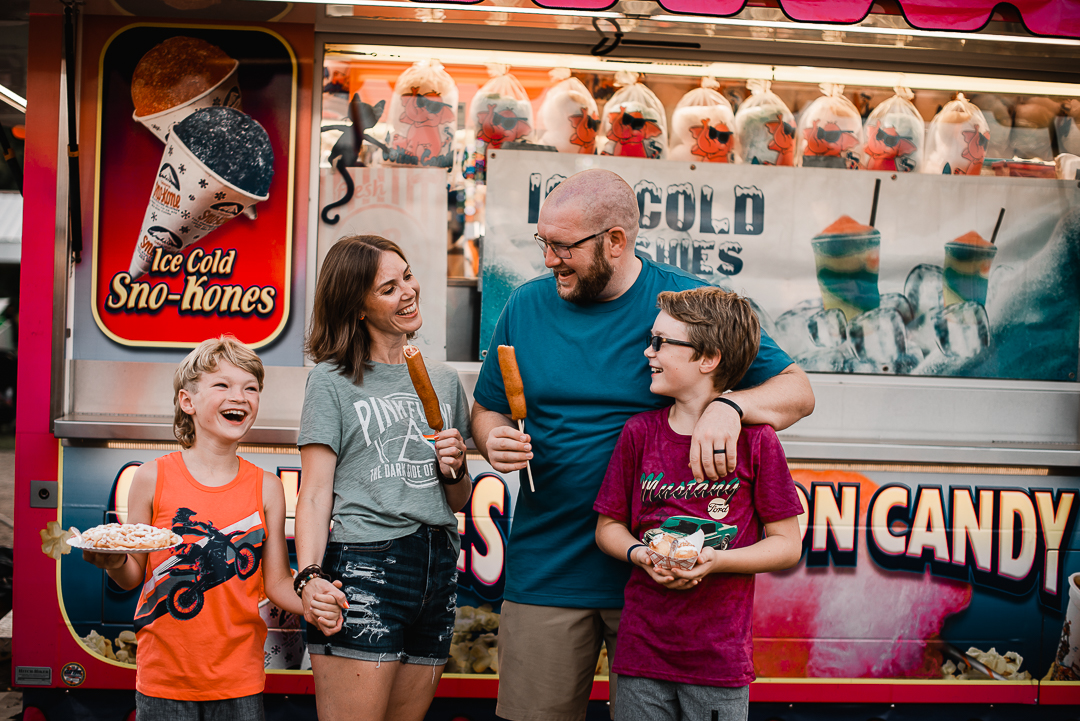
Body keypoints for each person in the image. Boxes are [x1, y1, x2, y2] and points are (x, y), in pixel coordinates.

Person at [470, 168, 814, 721]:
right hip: (550, 567)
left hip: (671, 587)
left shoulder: (680, 310)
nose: (549, 259)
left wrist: (730, 406)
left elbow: (797, 392)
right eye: (544, 243)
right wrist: (493, 439)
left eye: (563, 246)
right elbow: (486, 407)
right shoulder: (525, 307)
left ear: (615, 241)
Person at [81, 336, 345, 721]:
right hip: (164, 677)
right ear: (188, 401)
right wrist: (113, 560)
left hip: (240, 679)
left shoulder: (267, 488)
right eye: (222, 385)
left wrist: (313, 600)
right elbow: (132, 576)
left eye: (250, 388)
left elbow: (275, 583)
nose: (240, 396)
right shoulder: (152, 477)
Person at [594, 286, 804, 721]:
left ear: (708, 358)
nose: (647, 353)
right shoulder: (639, 433)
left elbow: (787, 545)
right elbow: (609, 527)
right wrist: (642, 554)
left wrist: (715, 560)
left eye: (660, 343)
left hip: (718, 660)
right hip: (642, 653)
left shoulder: (758, 441)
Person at [294, 235, 473, 721]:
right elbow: (313, 493)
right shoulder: (330, 381)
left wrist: (455, 465)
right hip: (365, 563)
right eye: (389, 288)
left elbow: (456, 500)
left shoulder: (445, 381)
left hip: (437, 563)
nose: (408, 292)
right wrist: (308, 576)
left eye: (408, 276)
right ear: (357, 306)